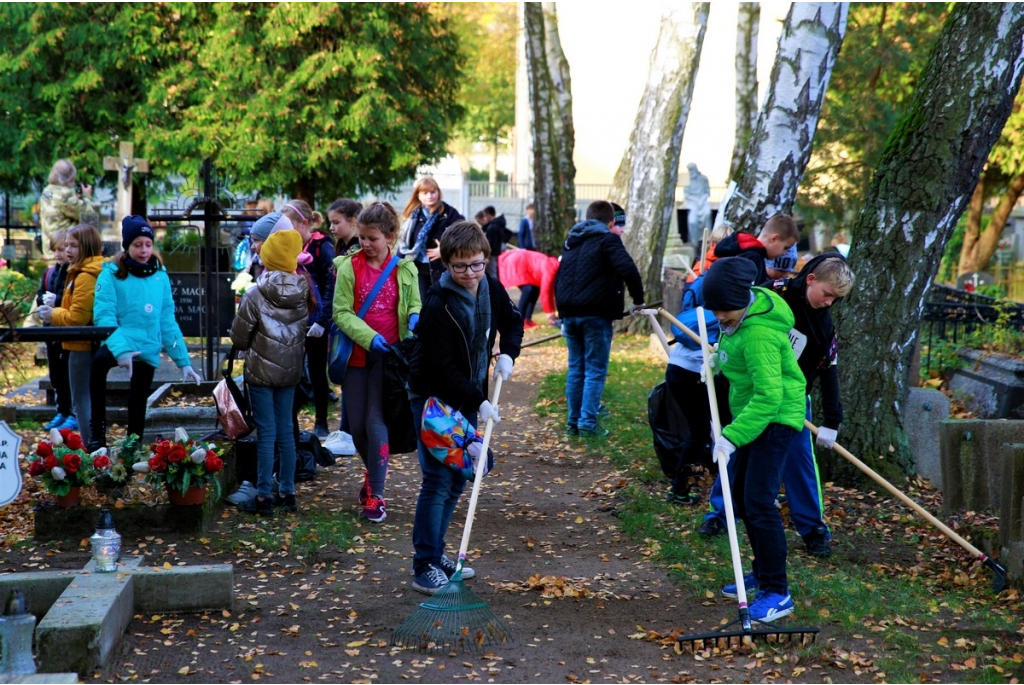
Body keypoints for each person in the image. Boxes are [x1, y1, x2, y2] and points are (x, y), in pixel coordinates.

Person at [699, 255, 855, 558]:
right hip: (755, 398)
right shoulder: (774, 292)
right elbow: (734, 320)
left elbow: (829, 368)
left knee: (800, 465)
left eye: (836, 299)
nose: (829, 303)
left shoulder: (824, 326)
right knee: (733, 452)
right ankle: (720, 515)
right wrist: (720, 354)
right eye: (827, 294)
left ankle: (813, 529)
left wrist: (832, 420)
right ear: (811, 279)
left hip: (791, 404)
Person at [407, 221, 523, 594]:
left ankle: (438, 552)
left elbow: (512, 319)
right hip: (433, 399)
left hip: (470, 395)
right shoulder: (438, 305)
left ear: (486, 259)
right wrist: (481, 400)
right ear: (446, 264)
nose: (469, 274)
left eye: (476, 264)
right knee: (438, 479)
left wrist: (508, 353)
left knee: (459, 476)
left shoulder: (490, 286)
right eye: (460, 266)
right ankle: (424, 563)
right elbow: (441, 369)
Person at [702, 256, 806, 623]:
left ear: (742, 303)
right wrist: (716, 359)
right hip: (752, 418)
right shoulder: (739, 320)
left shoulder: (759, 333)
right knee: (745, 502)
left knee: (759, 502)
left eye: (724, 311)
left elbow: (768, 397)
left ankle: (778, 591)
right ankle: (761, 573)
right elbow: (734, 350)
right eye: (714, 311)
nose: (719, 318)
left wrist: (730, 437)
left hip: (774, 420)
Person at [333, 202, 421, 522]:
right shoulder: (348, 267)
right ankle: (372, 473)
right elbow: (340, 312)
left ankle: (378, 494)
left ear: (391, 237)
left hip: (389, 360)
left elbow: (414, 301)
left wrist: (414, 315)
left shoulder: (404, 269)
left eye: (372, 239)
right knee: (357, 427)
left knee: (375, 420)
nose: (366, 245)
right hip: (357, 355)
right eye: (362, 238)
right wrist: (369, 337)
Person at [89, 216, 201, 450]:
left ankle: (132, 452)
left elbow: (166, 320)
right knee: (97, 367)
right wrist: (122, 351)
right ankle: (97, 435)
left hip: (148, 345)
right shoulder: (111, 274)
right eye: (137, 245)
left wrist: (183, 361)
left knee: (138, 402)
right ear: (127, 246)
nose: (144, 250)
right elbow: (104, 316)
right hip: (120, 339)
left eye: (147, 244)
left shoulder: (160, 275)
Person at [230, 228, 312, 517]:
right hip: (290, 372)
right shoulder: (302, 292)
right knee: (287, 433)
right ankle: (287, 492)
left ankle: (263, 495)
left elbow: (239, 337)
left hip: (261, 372)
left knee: (266, 433)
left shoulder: (256, 293)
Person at [554, 200, 644, 438]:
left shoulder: (572, 241)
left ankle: (573, 423)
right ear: (611, 221)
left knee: (576, 369)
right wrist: (638, 300)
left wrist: (562, 312)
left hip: (570, 314)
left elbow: (560, 275)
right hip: (595, 314)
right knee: (594, 370)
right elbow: (628, 268)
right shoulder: (608, 239)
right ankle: (587, 424)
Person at [37, 224, 104, 444]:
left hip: (81, 344)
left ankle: (89, 445)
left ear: (86, 247)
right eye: (66, 245)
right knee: (83, 398)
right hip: (79, 343)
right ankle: (93, 444)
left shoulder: (85, 275)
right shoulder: (78, 271)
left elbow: (78, 318)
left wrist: (52, 313)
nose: (67, 250)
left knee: (81, 400)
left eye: (73, 245)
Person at [281, 200, 335, 438]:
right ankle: (291, 422)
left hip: (316, 321)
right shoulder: (288, 246)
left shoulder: (322, 246)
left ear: (303, 223)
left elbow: (330, 285)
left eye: (289, 226)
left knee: (316, 371)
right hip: (293, 321)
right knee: (291, 371)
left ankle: (321, 421)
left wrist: (323, 321)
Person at [398, 177, 465, 299]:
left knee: (441, 304)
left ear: (438, 193)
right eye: (425, 193)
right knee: (422, 305)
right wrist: (392, 266)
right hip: (418, 268)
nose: (429, 196)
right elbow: (404, 244)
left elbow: (465, 235)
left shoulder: (449, 213)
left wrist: (445, 249)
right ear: (418, 195)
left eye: (433, 192)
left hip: (442, 269)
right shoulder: (414, 216)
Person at [36, 229, 72, 431]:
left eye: (61, 250)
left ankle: (72, 412)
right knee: (56, 374)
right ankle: (62, 410)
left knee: (69, 372)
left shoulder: (74, 273)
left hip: (68, 329)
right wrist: (42, 301)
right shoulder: (50, 272)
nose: (58, 254)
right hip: (51, 330)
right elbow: (40, 292)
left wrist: (57, 301)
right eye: (54, 250)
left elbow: (72, 299)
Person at [713, 214, 800, 285]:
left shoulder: (745, 250)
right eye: (785, 248)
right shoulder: (754, 258)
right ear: (774, 239)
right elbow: (753, 292)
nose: (784, 253)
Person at [39, 160, 96, 261]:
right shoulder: (64, 194)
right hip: (65, 252)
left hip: (52, 250)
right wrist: (87, 197)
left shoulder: (47, 191)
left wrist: (75, 199)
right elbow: (88, 216)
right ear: (69, 177)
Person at [497, 247, 559, 329]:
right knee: (528, 289)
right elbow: (546, 292)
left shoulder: (554, 266)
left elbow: (549, 291)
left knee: (535, 289)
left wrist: (551, 310)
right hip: (516, 263)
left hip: (523, 263)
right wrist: (549, 313)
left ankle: (527, 320)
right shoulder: (551, 269)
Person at [481, 206, 512, 281]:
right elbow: (509, 233)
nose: (485, 218)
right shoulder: (497, 224)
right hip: (496, 251)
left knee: (492, 272)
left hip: (493, 253)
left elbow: (492, 242)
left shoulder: (492, 227)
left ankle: (494, 287)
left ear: (488, 215)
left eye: (485, 216)